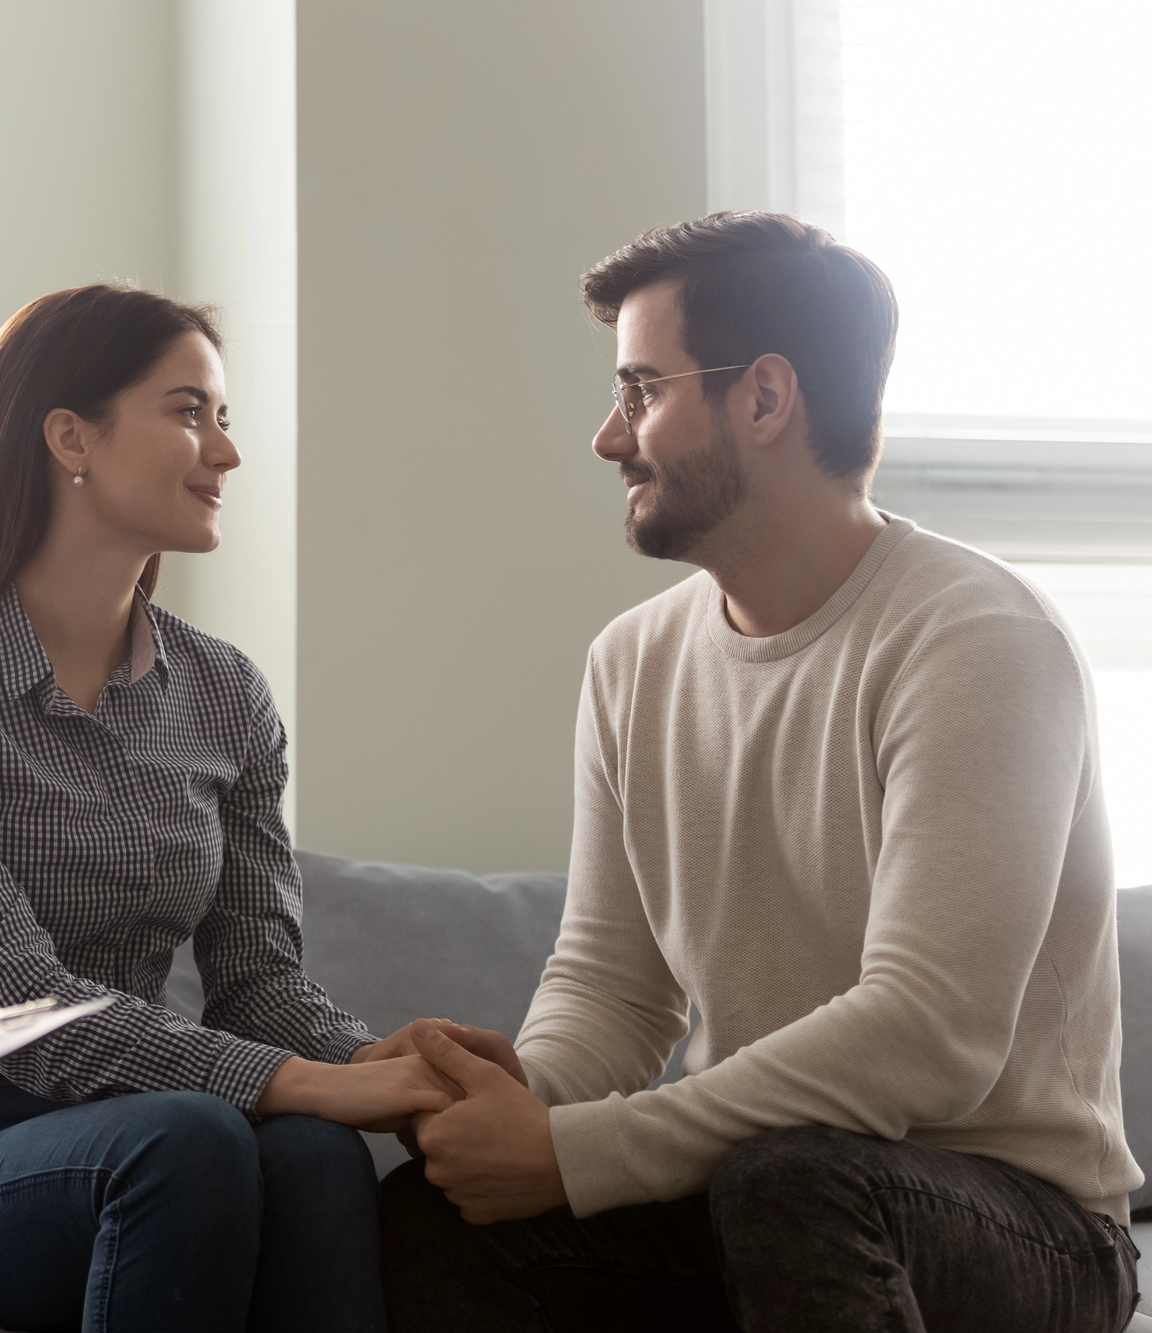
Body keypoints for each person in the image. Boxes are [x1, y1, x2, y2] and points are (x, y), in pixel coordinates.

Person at [379, 211, 1143, 1332]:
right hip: (766, 1180)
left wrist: (575, 1152)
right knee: (437, 1215)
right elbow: (612, 987)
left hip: (1022, 1219)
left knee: (791, 1180)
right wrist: (515, 1105)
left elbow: (926, 1033)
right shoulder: (630, 661)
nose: (606, 436)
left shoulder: (976, 637)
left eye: (640, 391)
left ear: (763, 397)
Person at [0, 284, 467, 1333]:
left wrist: (367, 1059)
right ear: (70, 435)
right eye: (188, 411)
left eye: (222, 417)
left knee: (306, 1149)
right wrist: (296, 1078)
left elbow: (256, 979)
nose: (225, 452)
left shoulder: (225, 694)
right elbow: (11, 1008)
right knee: (193, 1138)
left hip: (154, 1128)